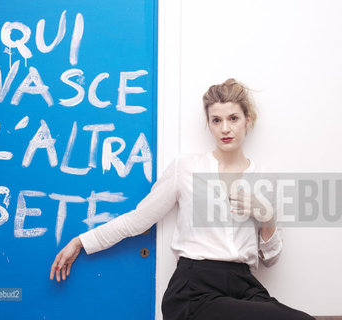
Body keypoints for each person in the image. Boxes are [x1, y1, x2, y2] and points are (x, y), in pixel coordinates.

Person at [49, 78, 315, 320]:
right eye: (216, 120)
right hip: (195, 290)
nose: (225, 128)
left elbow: (270, 260)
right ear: (208, 123)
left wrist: (266, 216)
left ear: (248, 119)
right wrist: (81, 241)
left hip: (245, 287)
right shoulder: (185, 168)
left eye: (233, 118)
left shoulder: (264, 179)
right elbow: (139, 220)